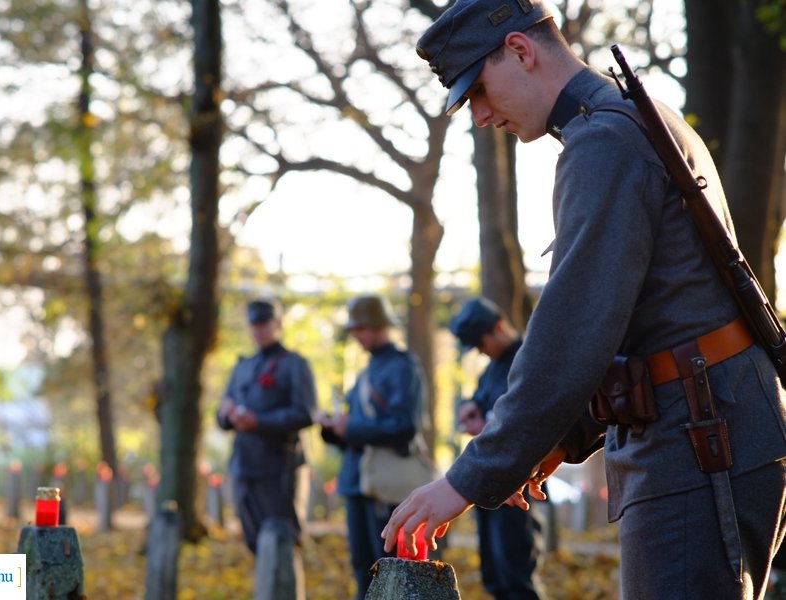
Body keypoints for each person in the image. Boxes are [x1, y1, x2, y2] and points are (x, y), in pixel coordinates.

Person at [381, 1, 786, 598]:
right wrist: (560, 440)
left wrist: (468, 478)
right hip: (707, 424)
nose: (482, 117)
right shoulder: (631, 119)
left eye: (480, 92)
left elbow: (573, 330)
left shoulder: (604, 142)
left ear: (519, 50)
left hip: (699, 439)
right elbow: (647, 314)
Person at [319, 294, 426, 600]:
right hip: (358, 481)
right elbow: (358, 429)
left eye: (361, 327)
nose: (356, 335)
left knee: (388, 574)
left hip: (385, 486)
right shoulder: (368, 370)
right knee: (361, 571)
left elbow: (405, 427)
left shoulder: (403, 366)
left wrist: (350, 427)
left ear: (380, 326)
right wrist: (334, 429)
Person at [451, 298, 543, 600]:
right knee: (494, 576)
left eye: (480, 342)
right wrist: (470, 408)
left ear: (498, 327)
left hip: (519, 485)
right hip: (487, 482)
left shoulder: (530, 359)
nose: (479, 350)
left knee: (516, 576)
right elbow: (480, 402)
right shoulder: (490, 370)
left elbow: (531, 417)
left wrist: (488, 424)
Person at [216, 298, 318, 554]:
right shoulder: (242, 367)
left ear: (278, 324)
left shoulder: (295, 364)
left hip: (279, 467)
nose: (258, 330)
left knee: (283, 541)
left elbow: (306, 413)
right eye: (254, 325)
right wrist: (227, 415)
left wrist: (259, 422)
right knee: (255, 543)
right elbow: (222, 415)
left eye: (264, 324)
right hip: (243, 466)